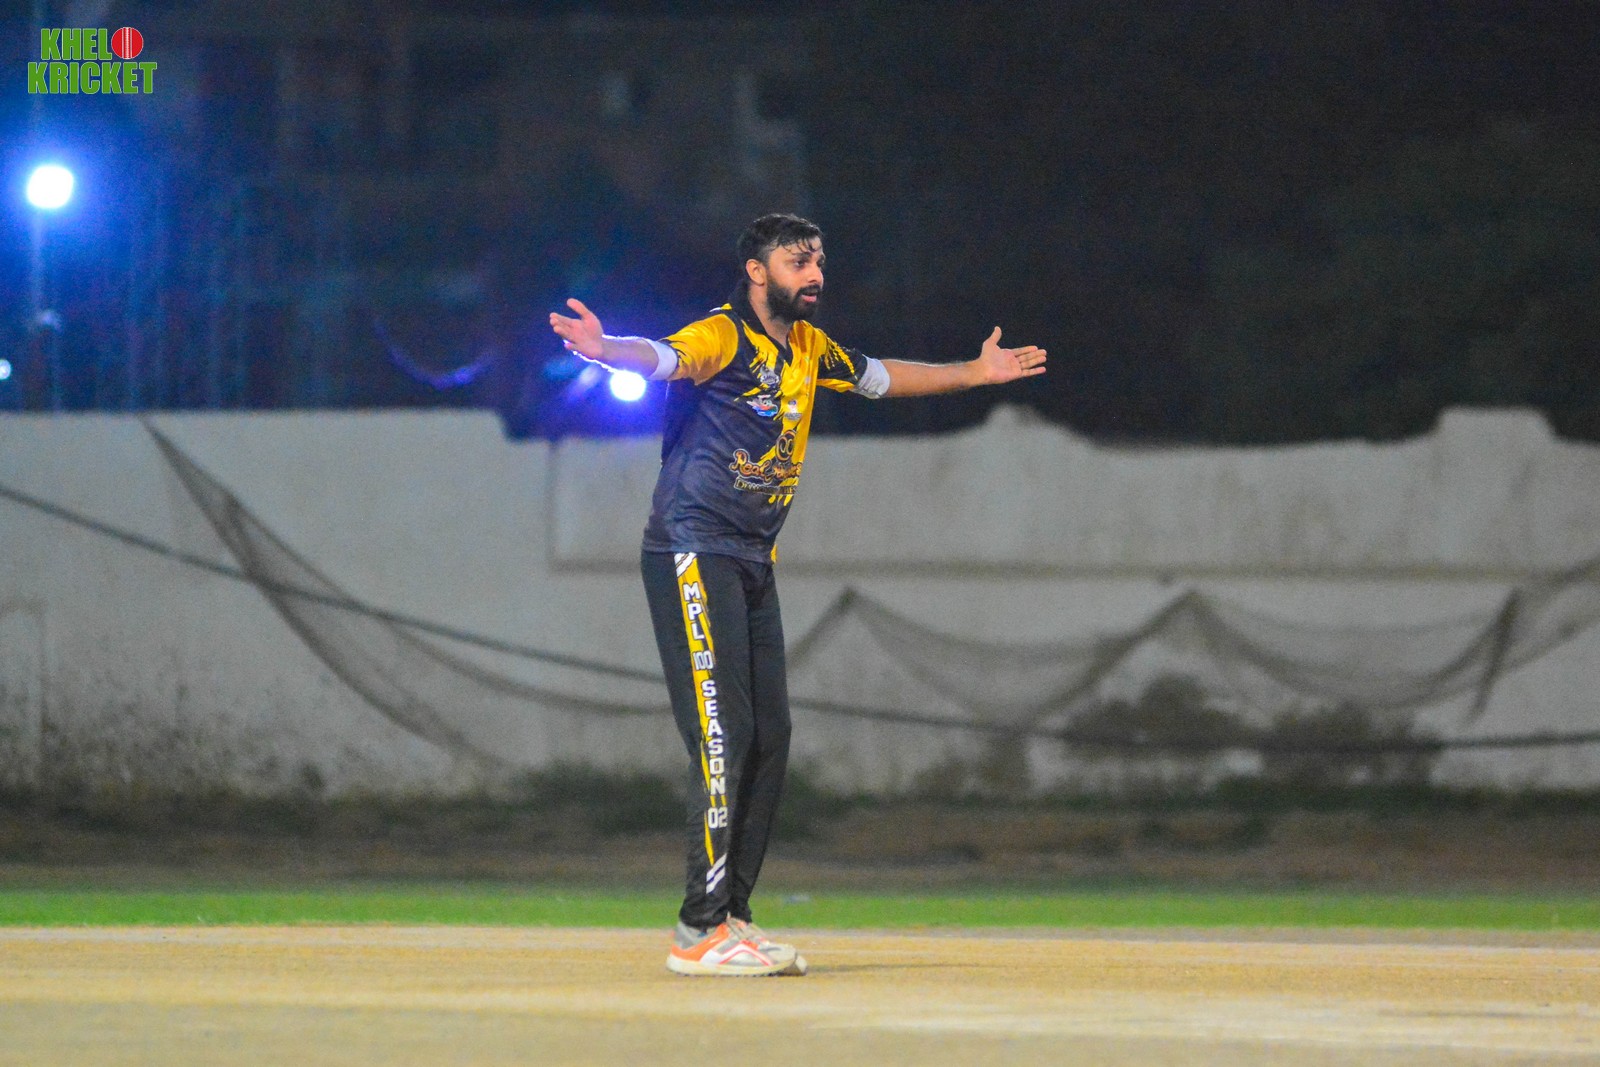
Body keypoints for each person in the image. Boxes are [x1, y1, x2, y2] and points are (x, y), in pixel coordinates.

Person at [549, 213, 1046, 976]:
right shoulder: (723, 335)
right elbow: (664, 358)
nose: (813, 273)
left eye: (817, 260)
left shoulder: (809, 346)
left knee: (769, 736)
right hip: (693, 549)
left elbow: (882, 376)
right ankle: (697, 931)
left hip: (752, 558)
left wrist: (974, 374)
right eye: (796, 261)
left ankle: (732, 918)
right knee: (723, 736)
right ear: (757, 271)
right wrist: (606, 347)